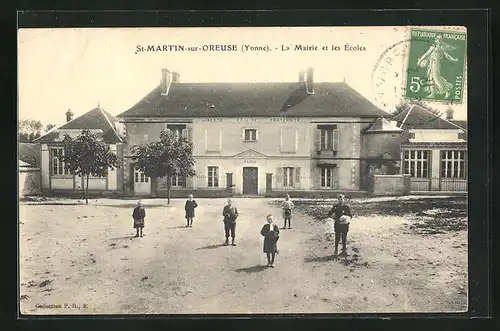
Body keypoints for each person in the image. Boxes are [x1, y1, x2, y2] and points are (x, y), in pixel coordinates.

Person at [417, 34, 459, 99]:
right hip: (431, 64)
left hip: (436, 64)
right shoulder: (433, 47)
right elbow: (426, 54)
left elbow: (447, 56)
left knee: (436, 78)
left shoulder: (442, 48)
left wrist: (454, 60)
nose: (438, 40)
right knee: (430, 78)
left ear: (441, 40)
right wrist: (420, 60)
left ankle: (447, 90)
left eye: (440, 39)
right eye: (437, 39)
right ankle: (432, 93)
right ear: (435, 40)